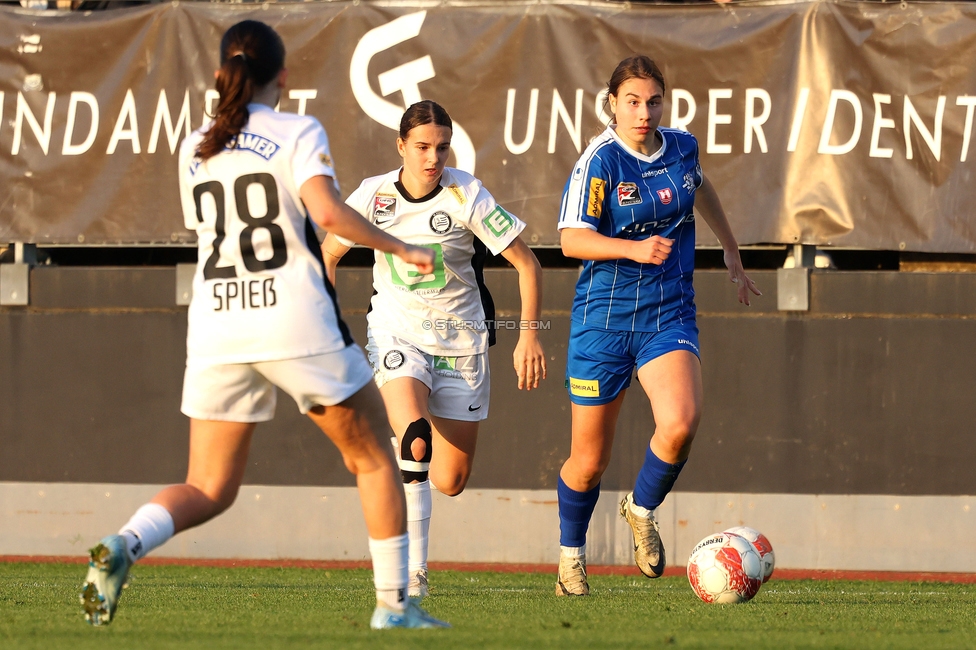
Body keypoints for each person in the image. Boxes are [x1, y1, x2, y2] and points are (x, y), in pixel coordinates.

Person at [79, 20, 449, 630]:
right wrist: (398, 246)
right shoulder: (296, 128)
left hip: (219, 324)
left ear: (224, 71)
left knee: (208, 486)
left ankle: (124, 543)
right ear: (283, 76)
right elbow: (327, 211)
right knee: (374, 461)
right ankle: (393, 608)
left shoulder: (195, 142)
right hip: (292, 318)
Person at [321, 100, 546, 599]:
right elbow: (329, 255)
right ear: (400, 145)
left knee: (449, 479)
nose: (432, 157)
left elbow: (527, 265)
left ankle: (408, 456)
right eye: (422, 147)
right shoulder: (373, 195)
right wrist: (328, 326)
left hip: (462, 345)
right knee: (415, 436)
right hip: (397, 334)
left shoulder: (467, 193)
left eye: (441, 147)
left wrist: (528, 333)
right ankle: (413, 573)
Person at [553, 55, 761, 596]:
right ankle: (570, 559)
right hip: (603, 321)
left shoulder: (682, 147)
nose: (644, 113)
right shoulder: (600, 163)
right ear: (612, 105)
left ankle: (640, 509)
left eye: (653, 101)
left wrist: (732, 251)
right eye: (633, 102)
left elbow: (699, 187)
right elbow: (571, 240)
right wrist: (632, 247)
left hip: (668, 311)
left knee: (680, 425)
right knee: (588, 461)